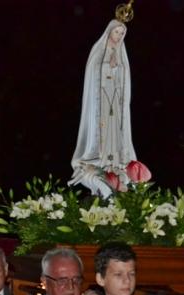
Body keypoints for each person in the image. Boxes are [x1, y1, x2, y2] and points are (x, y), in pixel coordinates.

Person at [70, 19, 136, 197]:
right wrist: (108, 66)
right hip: (101, 102)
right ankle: (101, 159)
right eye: (117, 32)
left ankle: (115, 162)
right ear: (109, 31)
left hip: (115, 100)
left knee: (115, 129)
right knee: (103, 129)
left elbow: (124, 77)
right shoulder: (98, 50)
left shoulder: (120, 53)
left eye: (122, 33)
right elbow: (93, 71)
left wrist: (117, 69)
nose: (119, 36)